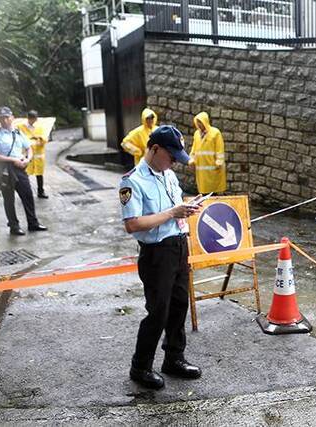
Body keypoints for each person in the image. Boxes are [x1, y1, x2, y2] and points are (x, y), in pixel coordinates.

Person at [119, 125, 203, 390]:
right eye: (171, 156)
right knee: (158, 311)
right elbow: (132, 224)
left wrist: (188, 207)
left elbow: (174, 207)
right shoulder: (132, 181)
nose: (174, 163)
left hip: (179, 246)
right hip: (157, 253)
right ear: (154, 149)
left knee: (180, 304)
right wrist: (172, 213)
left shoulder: (167, 175)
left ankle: (174, 358)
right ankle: (140, 366)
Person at [0, 106, 48, 236]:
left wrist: (28, 159)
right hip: (5, 168)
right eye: (1, 118)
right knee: (9, 198)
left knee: (27, 195)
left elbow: (29, 147)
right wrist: (12, 160)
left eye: (7, 117)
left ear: (12, 118)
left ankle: (33, 223)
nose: (5, 121)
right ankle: (14, 226)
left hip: (20, 167)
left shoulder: (18, 132)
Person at [188, 111, 226, 193]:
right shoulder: (196, 134)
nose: (199, 124)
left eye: (200, 122)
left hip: (213, 167)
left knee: (213, 190)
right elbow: (194, 149)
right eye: (197, 122)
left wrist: (219, 161)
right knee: (203, 189)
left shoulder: (215, 133)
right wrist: (191, 159)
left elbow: (219, 148)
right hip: (201, 169)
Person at [17, 110, 49, 198]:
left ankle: (40, 192)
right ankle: (25, 193)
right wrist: (29, 139)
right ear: (28, 118)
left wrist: (39, 137)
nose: (33, 121)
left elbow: (45, 139)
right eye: (32, 119)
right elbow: (18, 138)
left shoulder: (40, 127)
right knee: (25, 174)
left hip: (39, 156)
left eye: (35, 119)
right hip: (27, 155)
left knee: (39, 174)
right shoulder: (20, 127)